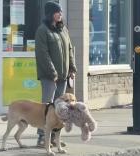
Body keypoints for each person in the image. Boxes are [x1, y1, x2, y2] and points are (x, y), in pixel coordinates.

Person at [34, 1, 77, 147]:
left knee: (60, 107)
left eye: (61, 12)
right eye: (57, 12)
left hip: (63, 76)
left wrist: (72, 68)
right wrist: (52, 72)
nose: (60, 14)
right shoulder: (42, 30)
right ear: (50, 14)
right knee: (47, 106)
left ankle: (54, 137)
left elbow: (70, 49)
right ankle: (41, 137)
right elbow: (42, 54)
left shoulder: (63, 29)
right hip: (49, 76)